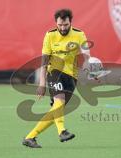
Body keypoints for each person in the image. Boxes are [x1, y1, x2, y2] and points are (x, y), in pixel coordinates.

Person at [22, 8, 90, 148]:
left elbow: (86, 54)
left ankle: (30, 137)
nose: (62, 28)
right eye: (60, 25)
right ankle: (62, 132)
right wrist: (42, 83)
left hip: (72, 76)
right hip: (54, 72)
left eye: (65, 25)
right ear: (56, 23)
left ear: (70, 22)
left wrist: (91, 70)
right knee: (59, 101)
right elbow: (44, 61)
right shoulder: (50, 35)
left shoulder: (79, 34)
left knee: (56, 111)